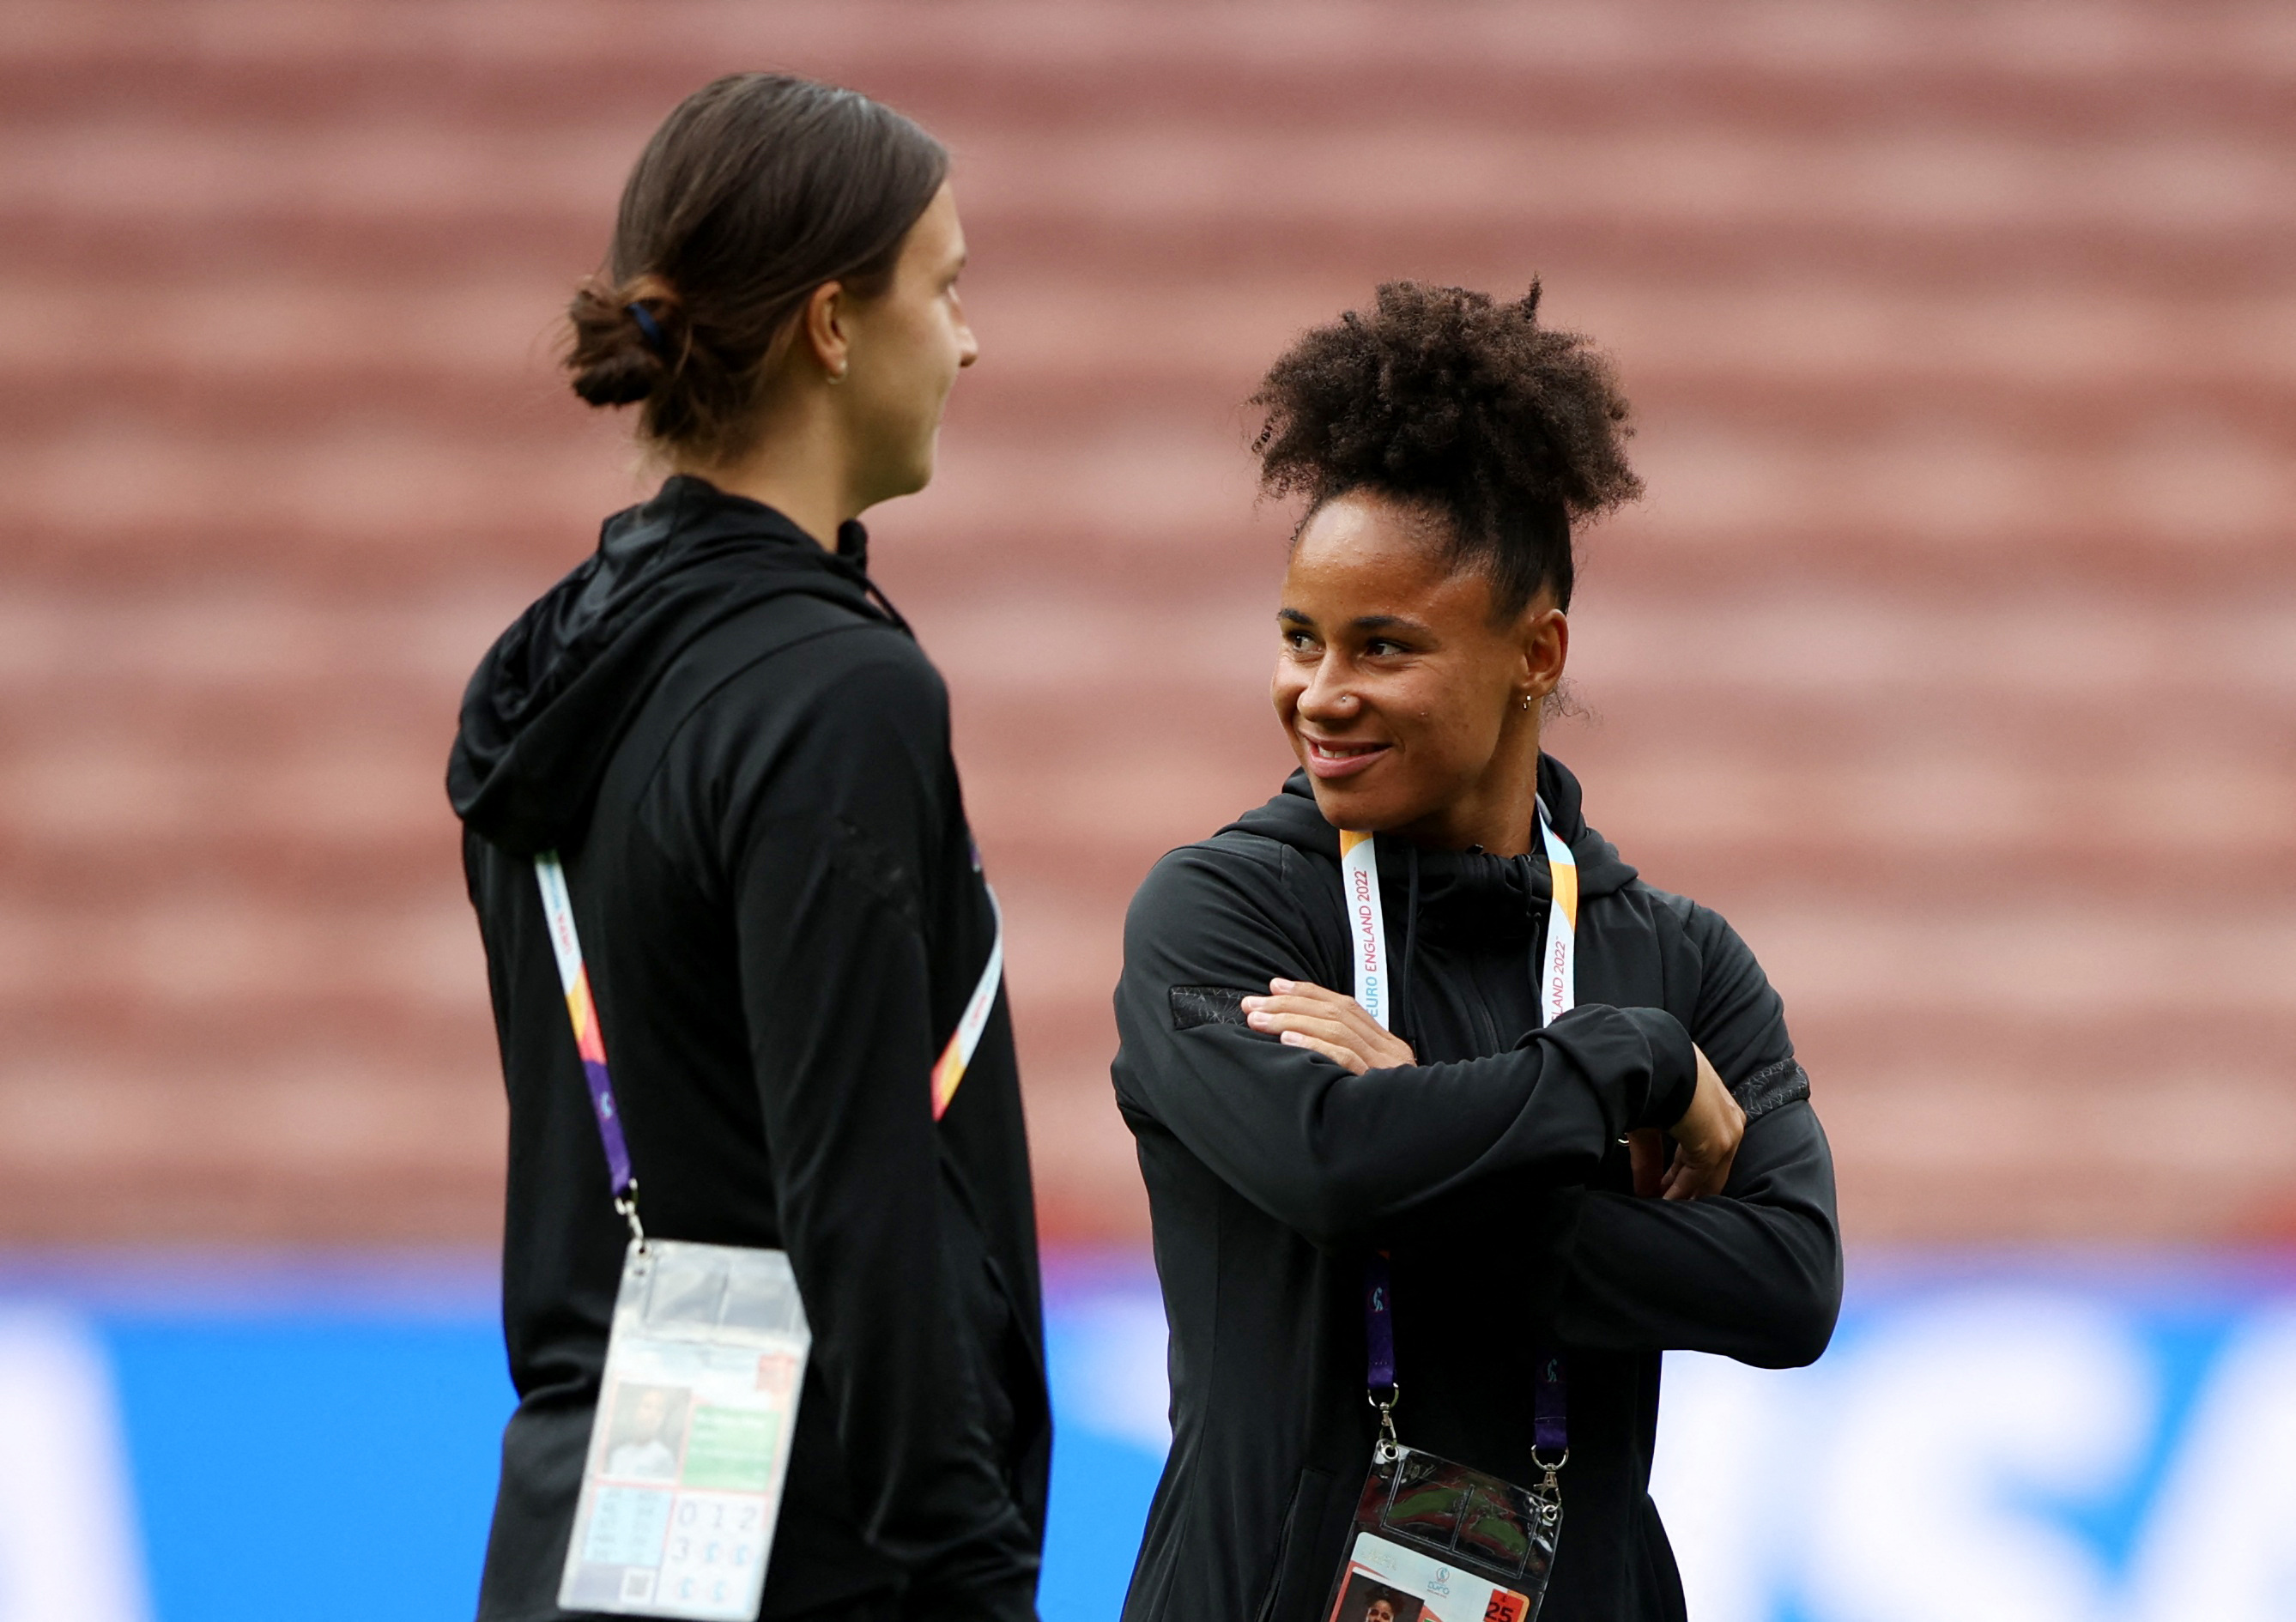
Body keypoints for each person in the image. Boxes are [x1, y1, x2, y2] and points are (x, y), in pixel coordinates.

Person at [1112, 282, 1840, 1622]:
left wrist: (1422, 1129)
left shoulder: (1683, 956)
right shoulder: (1219, 914)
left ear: (1535, 653)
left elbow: (1789, 1284)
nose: (1320, 693)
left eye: (1382, 646)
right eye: (1300, 638)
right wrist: (1621, 1065)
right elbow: (1331, 1167)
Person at [447, 74, 1047, 1622]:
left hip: (575, 1535)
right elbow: (862, 1201)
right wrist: (976, 1579)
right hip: (820, 1552)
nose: (968, 342)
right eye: (946, 288)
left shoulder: (540, 670)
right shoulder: (839, 692)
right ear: (833, 325)